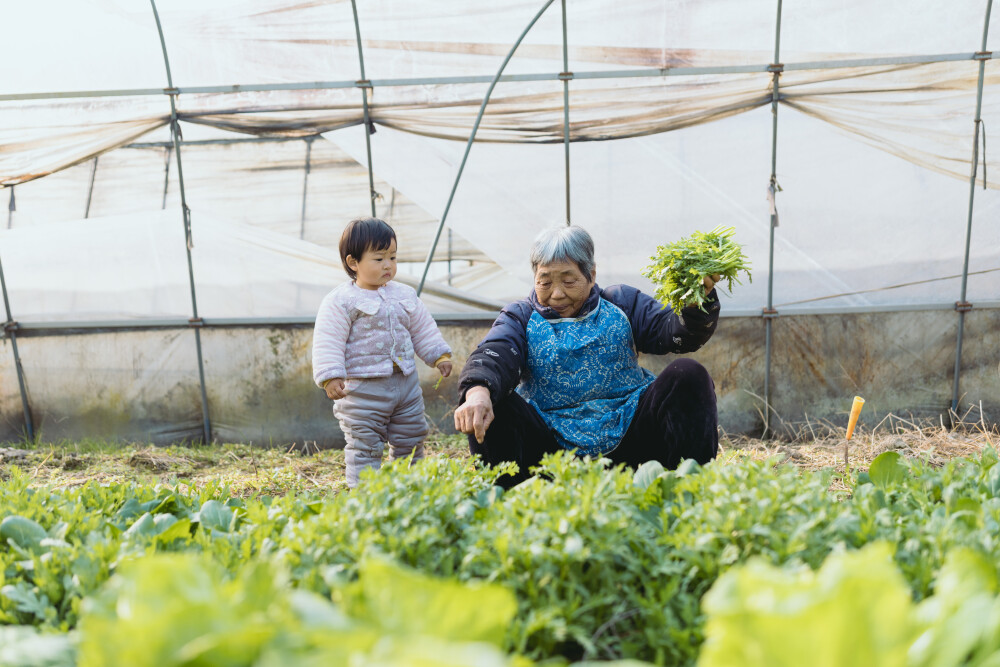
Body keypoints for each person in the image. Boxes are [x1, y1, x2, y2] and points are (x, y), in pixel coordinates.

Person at [455, 225, 721, 488]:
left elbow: (672, 330)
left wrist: (695, 302)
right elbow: (497, 351)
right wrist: (478, 392)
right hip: (550, 456)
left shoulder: (622, 303)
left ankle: (685, 489)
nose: (557, 294)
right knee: (492, 401)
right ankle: (511, 502)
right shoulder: (521, 317)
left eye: (569, 281)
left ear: (591, 275)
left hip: (631, 442)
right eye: (545, 282)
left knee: (688, 376)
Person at [313, 217, 452, 488]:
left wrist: (439, 355)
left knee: (411, 438)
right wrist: (330, 376)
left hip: (406, 386)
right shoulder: (341, 301)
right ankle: (366, 497)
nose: (388, 265)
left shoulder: (405, 295)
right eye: (379, 259)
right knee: (365, 445)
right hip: (363, 392)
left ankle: (410, 488)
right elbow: (328, 339)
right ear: (353, 263)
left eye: (393, 257)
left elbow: (422, 327)